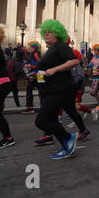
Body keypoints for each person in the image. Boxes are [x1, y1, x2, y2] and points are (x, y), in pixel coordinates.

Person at [34, 20, 79, 160]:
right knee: (52, 119)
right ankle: (66, 146)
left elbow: (75, 61)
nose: (47, 34)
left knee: (41, 120)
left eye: (50, 31)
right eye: (45, 32)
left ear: (58, 33)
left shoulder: (61, 46)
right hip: (50, 88)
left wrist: (54, 69)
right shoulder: (51, 49)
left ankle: (69, 137)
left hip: (59, 89)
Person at [23, 41, 41, 114]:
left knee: (31, 90)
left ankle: (31, 108)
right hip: (34, 75)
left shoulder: (36, 54)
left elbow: (39, 65)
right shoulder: (32, 54)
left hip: (37, 75)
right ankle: (30, 107)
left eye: (30, 47)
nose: (29, 48)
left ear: (34, 48)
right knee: (31, 90)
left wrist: (29, 66)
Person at [88, 44, 99, 120]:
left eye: (95, 50)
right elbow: (90, 65)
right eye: (94, 50)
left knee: (94, 91)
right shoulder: (93, 58)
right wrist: (84, 59)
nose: (94, 51)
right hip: (94, 77)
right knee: (92, 92)